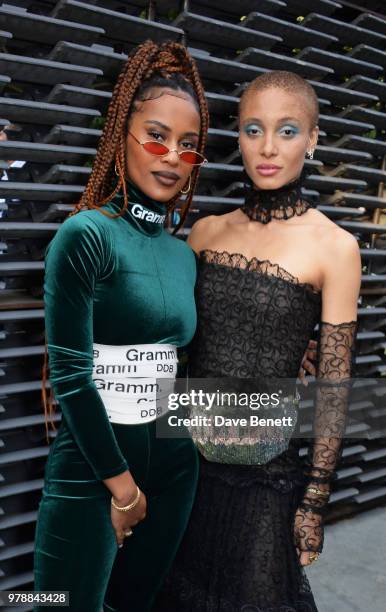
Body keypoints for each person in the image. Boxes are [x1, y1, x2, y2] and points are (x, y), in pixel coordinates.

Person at [153, 71, 361, 611]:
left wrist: (314, 501)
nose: (267, 148)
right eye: (253, 129)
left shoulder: (335, 248)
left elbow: (335, 385)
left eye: (287, 131)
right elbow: (178, 357)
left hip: (265, 480)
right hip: (187, 471)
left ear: (313, 140)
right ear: (239, 136)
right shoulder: (205, 232)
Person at [33, 39, 209, 612]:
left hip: (174, 462)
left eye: (188, 146)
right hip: (94, 468)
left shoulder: (183, 256)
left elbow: (184, 359)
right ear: (122, 135)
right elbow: (72, 375)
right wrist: (121, 484)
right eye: (156, 136)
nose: (170, 157)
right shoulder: (85, 235)